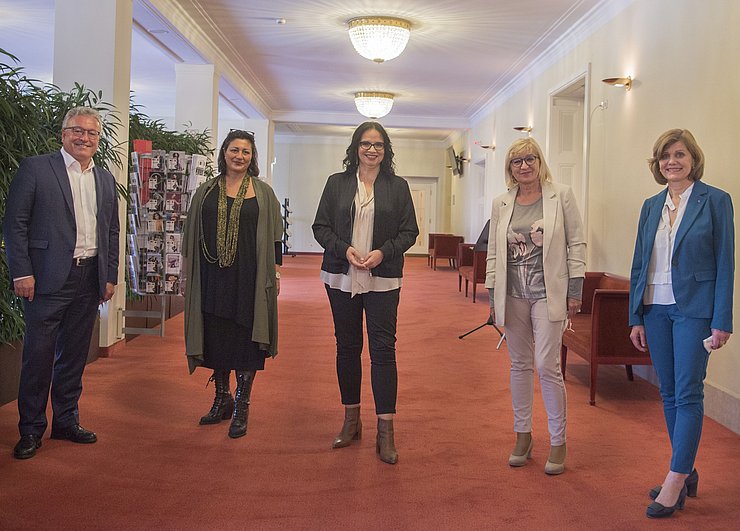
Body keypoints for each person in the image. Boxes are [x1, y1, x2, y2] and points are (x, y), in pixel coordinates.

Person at [3, 107, 119, 459]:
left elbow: (111, 231)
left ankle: (66, 420)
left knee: (74, 356)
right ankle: (31, 429)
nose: (84, 138)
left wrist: (109, 275)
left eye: (92, 133)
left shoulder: (104, 178)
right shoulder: (36, 169)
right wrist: (21, 272)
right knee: (38, 357)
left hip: (89, 278)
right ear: (64, 134)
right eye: (77, 131)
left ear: (98, 140)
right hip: (46, 279)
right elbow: (15, 224)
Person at [629, 129, 734, 519]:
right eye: (664, 156)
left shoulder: (716, 201)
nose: (672, 161)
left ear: (693, 159)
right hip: (655, 307)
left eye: (679, 154)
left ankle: (675, 477)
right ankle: (686, 470)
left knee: (688, 393)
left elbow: (726, 264)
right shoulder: (651, 205)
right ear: (657, 164)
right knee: (669, 393)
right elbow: (640, 262)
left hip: (694, 311)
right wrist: (635, 316)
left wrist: (722, 319)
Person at [312, 122, 419, 465]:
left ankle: (385, 431)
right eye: (365, 143)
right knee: (347, 347)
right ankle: (351, 420)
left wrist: (383, 253)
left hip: (383, 277)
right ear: (355, 147)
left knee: (383, 350)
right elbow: (320, 227)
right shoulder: (336, 183)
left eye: (378, 144)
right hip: (341, 276)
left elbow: (409, 232)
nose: (371, 149)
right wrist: (344, 249)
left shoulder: (398, 187)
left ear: (386, 150)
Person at [485, 137, 586, 475]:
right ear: (510, 169)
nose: (524, 166)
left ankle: (558, 440)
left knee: (546, 365)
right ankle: (523, 435)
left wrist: (575, 288)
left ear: (540, 162)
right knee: (519, 365)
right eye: (517, 161)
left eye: (530, 159)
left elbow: (577, 241)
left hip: (548, 293)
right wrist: (491, 291)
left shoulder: (562, 196)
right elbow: (495, 253)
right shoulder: (501, 203)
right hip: (512, 294)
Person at [182, 130, 283, 439]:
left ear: (252, 158)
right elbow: (190, 235)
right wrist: (187, 274)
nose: (240, 156)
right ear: (224, 152)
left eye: (246, 152)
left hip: (249, 279)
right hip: (212, 277)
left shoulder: (263, 193)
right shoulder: (206, 191)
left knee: (246, 339)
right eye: (234, 150)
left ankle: (242, 404)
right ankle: (222, 397)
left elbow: (277, 236)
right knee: (216, 337)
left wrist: (275, 273)